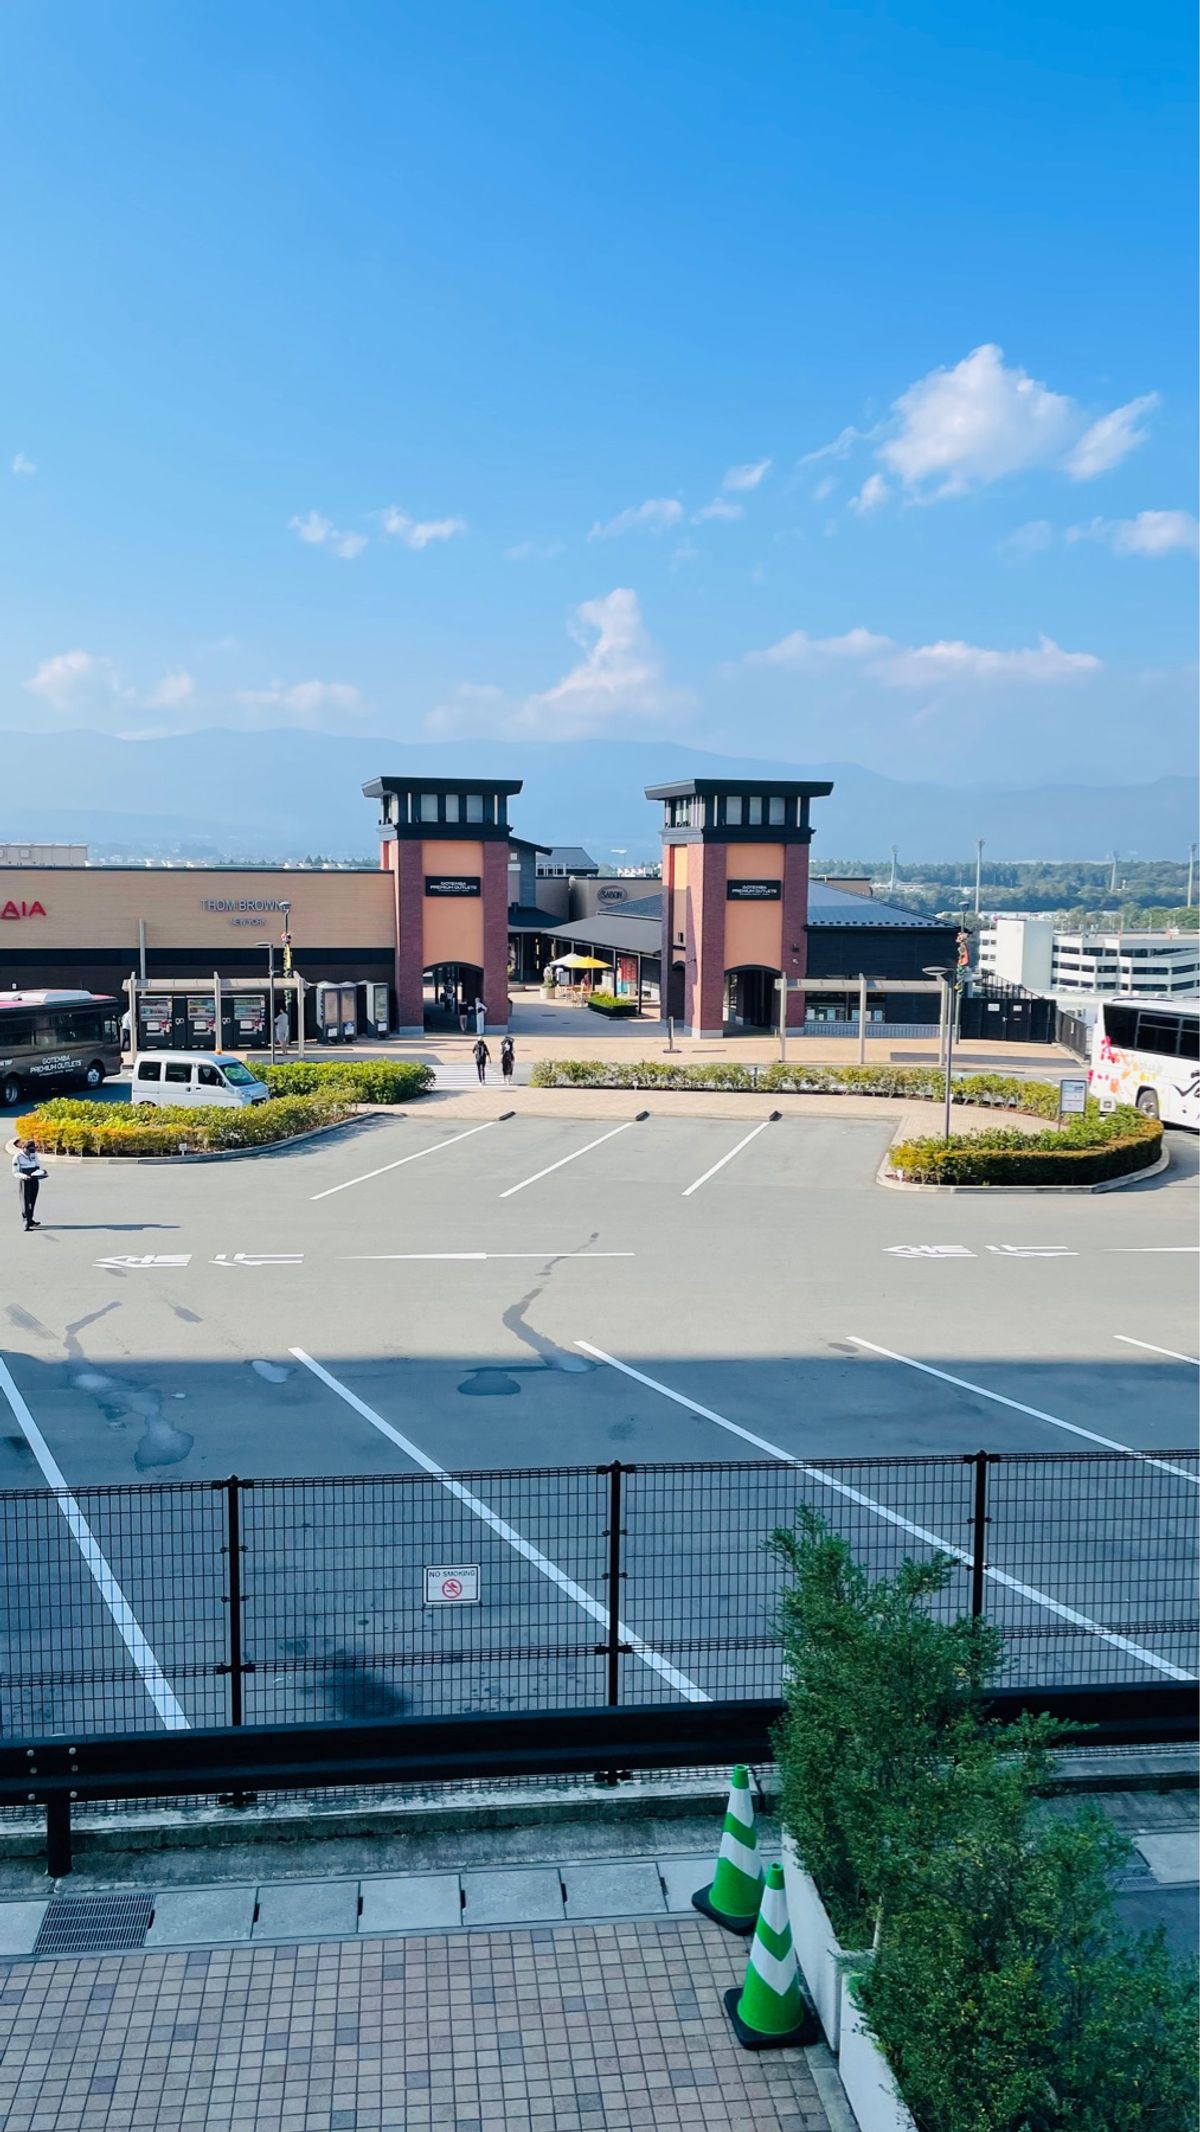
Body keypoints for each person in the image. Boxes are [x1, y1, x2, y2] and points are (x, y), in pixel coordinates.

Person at [12, 1140, 47, 1232]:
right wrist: (24, 1176)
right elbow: (15, 1172)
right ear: (23, 1148)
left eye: (33, 1149)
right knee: (25, 1202)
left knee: (32, 1200)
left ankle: (30, 1219)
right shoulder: (18, 1157)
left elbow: (38, 1166)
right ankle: (26, 1221)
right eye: (29, 1150)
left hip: (34, 1180)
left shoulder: (34, 1154)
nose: (32, 1152)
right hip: (25, 1181)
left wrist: (42, 1173)